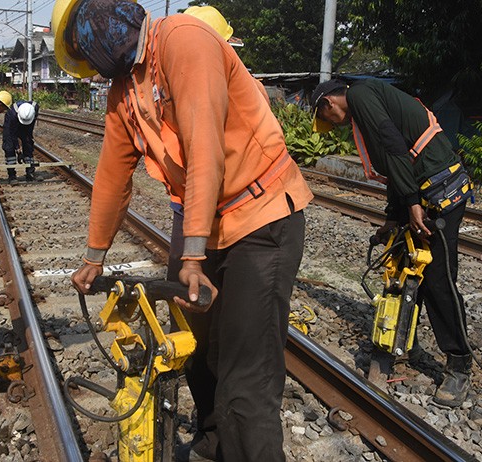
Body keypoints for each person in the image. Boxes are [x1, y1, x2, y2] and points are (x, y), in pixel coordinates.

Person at [53, 1, 313, 461]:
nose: (89, 64)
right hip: (207, 223)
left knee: (246, 377)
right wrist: (94, 256)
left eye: (83, 51)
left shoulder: (182, 40)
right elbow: (112, 175)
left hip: (262, 216)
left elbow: (205, 147)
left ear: (98, 25)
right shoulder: (124, 89)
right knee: (197, 349)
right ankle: (215, 447)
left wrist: (191, 256)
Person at [311, 78, 473, 407]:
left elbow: (394, 147)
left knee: (438, 279)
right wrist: (392, 217)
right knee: (405, 267)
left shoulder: (360, 96)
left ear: (328, 103)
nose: (333, 125)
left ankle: (459, 365)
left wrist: (411, 204)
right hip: (425, 191)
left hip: (441, 192)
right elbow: (394, 162)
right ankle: (403, 343)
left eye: (327, 119)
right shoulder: (364, 103)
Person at [2, 100, 39, 184]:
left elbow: (29, 131)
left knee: (28, 143)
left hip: (28, 125)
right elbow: (12, 133)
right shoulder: (11, 114)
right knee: (9, 146)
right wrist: (17, 148)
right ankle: (12, 175)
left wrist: (27, 140)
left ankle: (30, 171)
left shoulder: (34, 108)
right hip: (11, 126)